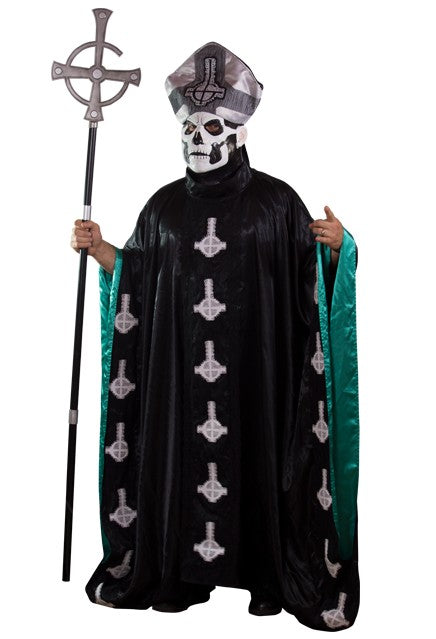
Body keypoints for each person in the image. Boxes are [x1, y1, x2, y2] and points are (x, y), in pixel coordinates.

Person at [71, 42, 360, 631]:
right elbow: (138, 280)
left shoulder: (277, 203)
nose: (197, 140)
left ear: (239, 134)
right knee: (176, 460)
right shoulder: (162, 209)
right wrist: (101, 250)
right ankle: (179, 574)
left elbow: (311, 285)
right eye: (190, 128)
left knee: (264, 457)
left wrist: (338, 250)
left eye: (211, 128)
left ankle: (266, 575)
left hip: (259, 380)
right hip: (180, 384)